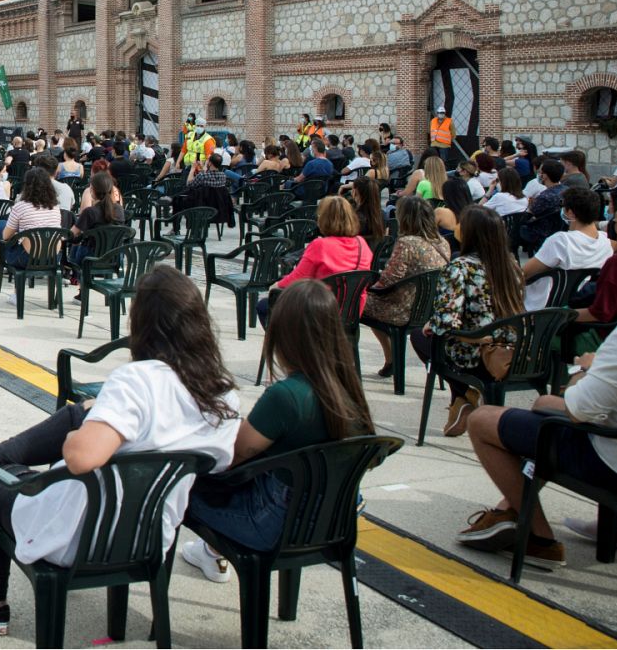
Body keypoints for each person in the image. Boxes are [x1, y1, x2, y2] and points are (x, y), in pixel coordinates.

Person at [0, 267, 239, 637]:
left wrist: (81, 431)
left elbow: (81, 457)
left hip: (82, 536)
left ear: (142, 323)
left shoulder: (139, 380)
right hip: (152, 536)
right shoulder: (222, 393)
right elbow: (220, 462)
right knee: (80, 414)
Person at [180, 279, 374, 581]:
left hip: (274, 525)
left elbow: (233, 457)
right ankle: (212, 552)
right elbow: (373, 457)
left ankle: (202, 557)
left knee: (180, 486)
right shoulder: (348, 389)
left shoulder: (286, 396)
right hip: (334, 522)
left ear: (284, 336)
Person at [455, 315, 617, 567]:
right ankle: (508, 508)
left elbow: (580, 411)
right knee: (544, 406)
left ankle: (539, 538)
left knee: (481, 420)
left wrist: (584, 370)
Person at [423, 206, 524, 437]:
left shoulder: (460, 267)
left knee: (423, 337)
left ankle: (462, 396)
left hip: (476, 353)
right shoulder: (513, 266)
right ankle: (461, 400)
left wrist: (432, 324)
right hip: (511, 352)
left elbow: (446, 321)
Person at [364, 197, 450, 378]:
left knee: (358, 303)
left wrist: (368, 289)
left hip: (403, 309)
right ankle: (391, 358)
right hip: (428, 309)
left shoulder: (407, 243)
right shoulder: (442, 242)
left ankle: (389, 358)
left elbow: (390, 279)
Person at [258, 196, 372, 326]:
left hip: (318, 312)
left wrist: (276, 285)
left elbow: (297, 278)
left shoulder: (320, 245)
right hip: (351, 314)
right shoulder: (362, 243)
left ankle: (287, 339)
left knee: (264, 305)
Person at [522, 186, 610, 311]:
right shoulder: (606, 242)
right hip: (575, 303)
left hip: (540, 306)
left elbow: (524, 273)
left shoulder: (561, 241)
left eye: (563, 206)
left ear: (570, 212)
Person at [578, 196, 617, 324]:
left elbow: (600, 313)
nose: (612, 224)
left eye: (615, 220)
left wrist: (558, 316)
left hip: (615, 332)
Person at [520, 159, 567, 253]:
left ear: (545, 176)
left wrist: (530, 205)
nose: (539, 174)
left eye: (540, 172)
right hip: (561, 229)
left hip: (542, 232)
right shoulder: (566, 190)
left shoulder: (545, 197)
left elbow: (526, 217)